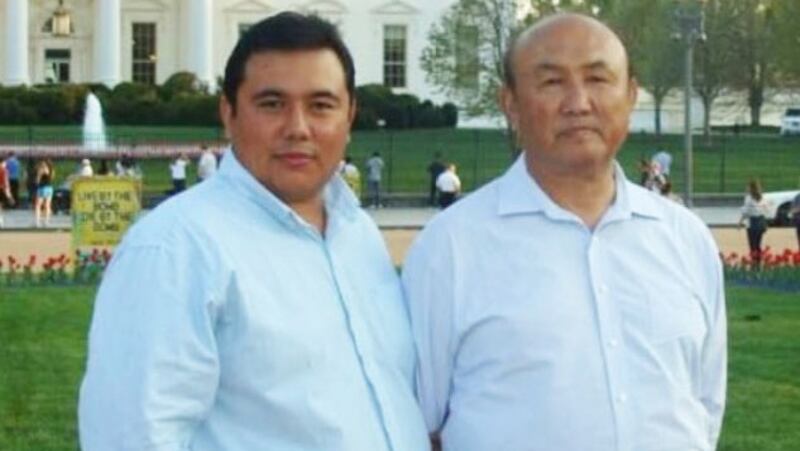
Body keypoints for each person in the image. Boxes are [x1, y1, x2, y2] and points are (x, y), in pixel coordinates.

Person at [79, 12, 428, 451]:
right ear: (229, 113)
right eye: (272, 104)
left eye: (321, 105)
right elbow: (132, 438)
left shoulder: (357, 233)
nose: (298, 127)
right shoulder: (175, 248)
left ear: (350, 115)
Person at [402, 13, 726, 451]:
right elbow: (418, 422)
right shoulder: (451, 247)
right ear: (510, 104)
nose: (578, 102)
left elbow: (703, 404)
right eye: (552, 82)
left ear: (630, 94)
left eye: (597, 79)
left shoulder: (685, 238)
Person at [738, 179, 770, 264]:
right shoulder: (762, 197)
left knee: (752, 245)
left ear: (751, 188)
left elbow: (746, 212)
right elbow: (766, 210)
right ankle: (758, 263)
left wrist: (740, 222)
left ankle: (754, 264)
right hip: (761, 222)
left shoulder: (749, 198)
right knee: (758, 244)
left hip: (752, 223)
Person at [34, 159, 55, 227]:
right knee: (47, 206)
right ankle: (46, 222)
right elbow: (51, 179)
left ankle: (37, 222)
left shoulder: (42, 170)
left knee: (38, 205)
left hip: (42, 188)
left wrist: (39, 174)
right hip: (49, 188)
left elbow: (37, 181)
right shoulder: (52, 170)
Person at [0, 156, 14, 227]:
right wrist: (9, 193)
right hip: (2, 189)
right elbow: (6, 181)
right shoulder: (4, 170)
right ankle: (0, 220)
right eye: (5, 163)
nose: (6, 164)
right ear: (2, 163)